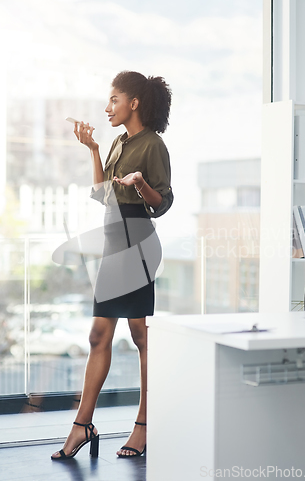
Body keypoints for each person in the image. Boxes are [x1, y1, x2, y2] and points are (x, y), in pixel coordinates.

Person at [51, 71, 173, 460]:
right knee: (98, 337)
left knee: (141, 337)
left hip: (137, 245)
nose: (108, 107)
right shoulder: (119, 142)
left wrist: (139, 184)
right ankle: (83, 425)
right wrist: (92, 150)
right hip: (113, 245)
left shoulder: (153, 145)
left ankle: (144, 424)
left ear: (134, 102)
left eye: (114, 99)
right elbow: (104, 195)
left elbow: (161, 203)